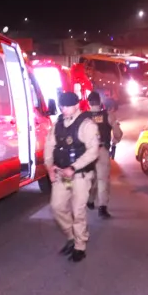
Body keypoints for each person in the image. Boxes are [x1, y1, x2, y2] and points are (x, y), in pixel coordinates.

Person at [44, 91, 100, 262]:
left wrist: (74, 167)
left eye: (67, 106)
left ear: (76, 105)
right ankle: (71, 236)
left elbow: (93, 152)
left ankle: (79, 246)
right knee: (57, 206)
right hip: (63, 175)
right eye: (61, 106)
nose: (63, 109)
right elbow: (49, 145)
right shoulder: (58, 124)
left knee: (78, 211)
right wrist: (49, 167)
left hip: (80, 176)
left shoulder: (87, 125)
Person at [86, 91, 123, 219]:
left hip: (87, 153)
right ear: (100, 102)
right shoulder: (108, 115)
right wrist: (115, 140)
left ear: (89, 103)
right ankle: (102, 208)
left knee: (91, 178)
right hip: (102, 150)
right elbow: (118, 132)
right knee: (102, 179)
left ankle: (90, 201)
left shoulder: (83, 116)